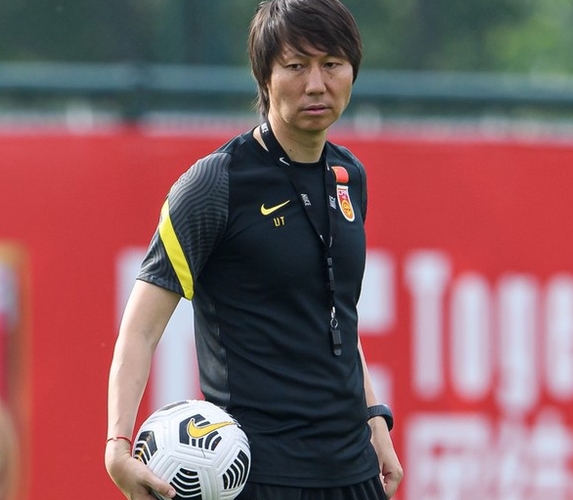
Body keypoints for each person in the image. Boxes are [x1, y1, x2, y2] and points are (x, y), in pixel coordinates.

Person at [104, 1, 403, 499]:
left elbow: (337, 317)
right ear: (264, 77)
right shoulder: (214, 184)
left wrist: (374, 421)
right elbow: (140, 329)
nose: (316, 84)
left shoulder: (349, 176)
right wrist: (118, 444)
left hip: (352, 472)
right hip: (257, 475)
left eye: (332, 64)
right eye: (296, 66)